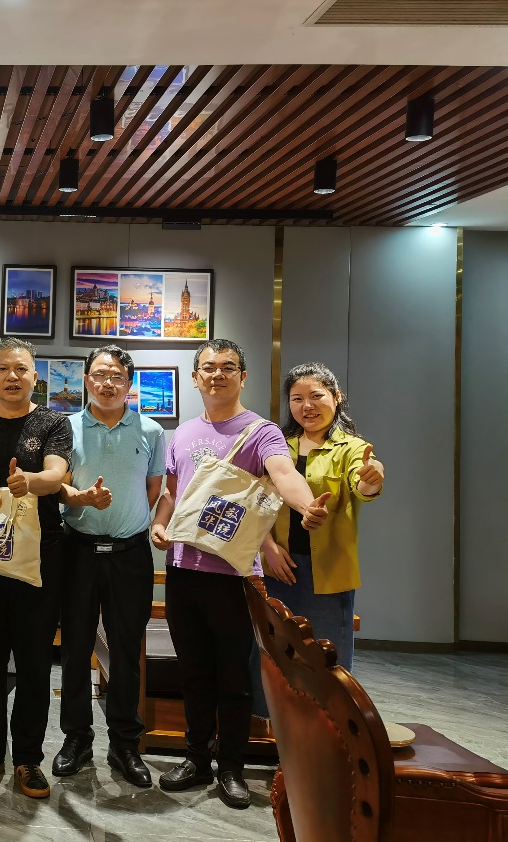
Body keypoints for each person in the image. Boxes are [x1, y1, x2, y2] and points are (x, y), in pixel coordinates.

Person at [148, 339, 329, 810]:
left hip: (234, 575)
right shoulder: (182, 433)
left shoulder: (260, 430)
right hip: (183, 570)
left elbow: (283, 473)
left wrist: (306, 504)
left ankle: (231, 767)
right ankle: (195, 759)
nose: (217, 375)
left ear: (243, 377)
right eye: (208, 367)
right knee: (193, 672)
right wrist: (160, 524)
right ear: (195, 378)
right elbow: (172, 493)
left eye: (228, 367)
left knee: (233, 675)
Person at [0, 338, 71, 799]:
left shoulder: (53, 422)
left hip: (40, 556)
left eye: (21, 369)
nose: (12, 377)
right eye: (4, 369)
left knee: (35, 662)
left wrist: (30, 481)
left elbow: (57, 475)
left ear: (34, 376)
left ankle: (28, 758)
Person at [53, 345, 164, 788]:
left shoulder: (151, 430)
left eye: (117, 376)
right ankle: (76, 738)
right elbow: (57, 485)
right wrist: (82, 499)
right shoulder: (66, 428)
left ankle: (124, 744)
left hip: (130, 554)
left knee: (126, 650)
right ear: (86, 380)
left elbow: (154, 489)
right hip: (77, 550)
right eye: (99, 374)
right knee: (75, 647)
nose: (107, 383)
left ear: (129, 384)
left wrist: (128, 520)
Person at [267, 362, 384, 671]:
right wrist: (268, 548)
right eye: (297, 398)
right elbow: (255, 503)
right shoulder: (276, 446)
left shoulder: (352, 448)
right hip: (277, 568)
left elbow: (363, 485)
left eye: (316, 396)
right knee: (275, 662)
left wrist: (372, 478)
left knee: (326, 663)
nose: (307, 406)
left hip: (328, 574)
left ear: (337, 397)